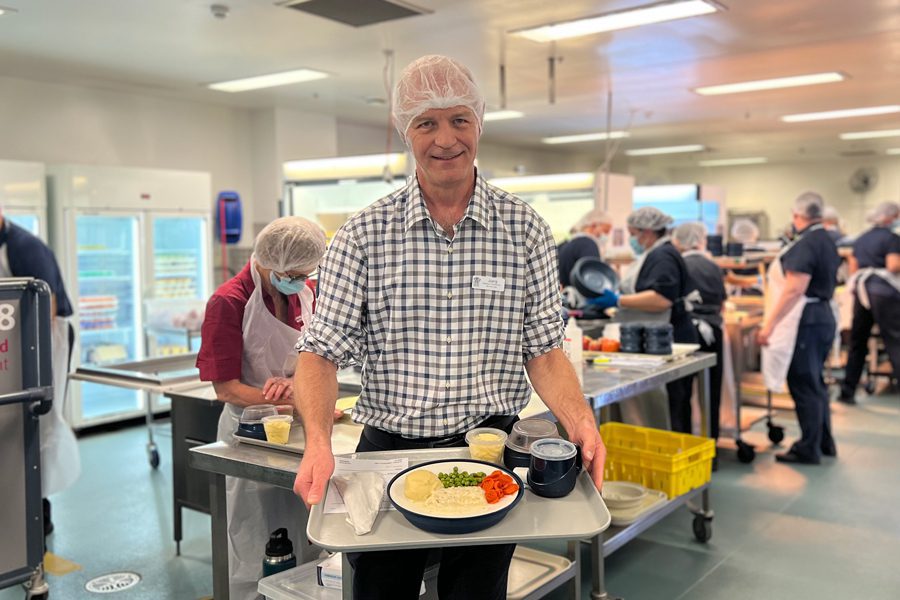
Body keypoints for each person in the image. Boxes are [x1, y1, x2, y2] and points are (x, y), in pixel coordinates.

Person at [291, 54, 606, 600]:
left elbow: (545, 350)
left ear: (479, 123)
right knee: (380, 592)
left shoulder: (523, 229)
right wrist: (317, 441)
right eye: (426, 123)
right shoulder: (364, 235)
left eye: (459, 119)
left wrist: (580, 421)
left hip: (488, 452)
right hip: (388, 453)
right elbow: (319, 353)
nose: (445, 139)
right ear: (404, 131)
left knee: (478, 592)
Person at [196, 216, 327, 600]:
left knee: (306, 531)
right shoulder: (229, 302)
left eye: (307, 273)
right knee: (257, 537)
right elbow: (226, 388)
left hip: (296, 432)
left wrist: (296, 384)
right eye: (295, 274)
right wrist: (289, 399)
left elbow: (311, 357)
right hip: (249, 435)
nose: (302, 280)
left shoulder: (305, 293)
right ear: (272, 263)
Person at [0, 206, 80, 538]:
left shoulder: (24, 247)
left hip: (44, 342)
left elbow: (46, 307)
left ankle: (39, 511)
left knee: (39, 420)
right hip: (12, 342)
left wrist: (30, 361)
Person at [590, 207, 699, 433]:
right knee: (674, 404)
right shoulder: (657, 253)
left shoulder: (663, 255)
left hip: (669, 337)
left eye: (633, 233)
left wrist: (619, 300)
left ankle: (673, 455)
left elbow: (662, 299)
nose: (632, 239)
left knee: (674, 405)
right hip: (661, 338)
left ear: (647, 232)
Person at [757, 192, 840, 464]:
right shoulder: (826, 238)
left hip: (806, 320)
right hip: (822, 316)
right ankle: (823, 442)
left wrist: (769, 326)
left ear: (796, 215)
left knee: (803, 382)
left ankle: (808, 448)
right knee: (815, 382)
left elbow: (794, 289)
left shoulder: (807, 243)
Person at [839, 201, 900, 403]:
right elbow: (893, 266)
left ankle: (848, 390)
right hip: (883, 293)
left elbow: (853, 268)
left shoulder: (861, 239)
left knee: (858, 342)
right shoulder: (892, 239)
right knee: (895, 341)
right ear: (891, 217)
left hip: (862, 292)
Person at [672, 222, 726, 442]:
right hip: (713, 331)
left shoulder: (680, 264)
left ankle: (684, 444)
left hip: (687, 334)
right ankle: (711, 449)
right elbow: (722, 301)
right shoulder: (712, 266)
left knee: (682, 394)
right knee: (712, 392)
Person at [558, 208, 613, 287]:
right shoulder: (588, 244)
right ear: (594, 225)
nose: (606, 236)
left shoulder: (565, 244)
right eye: (606, 231)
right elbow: (593, 279)